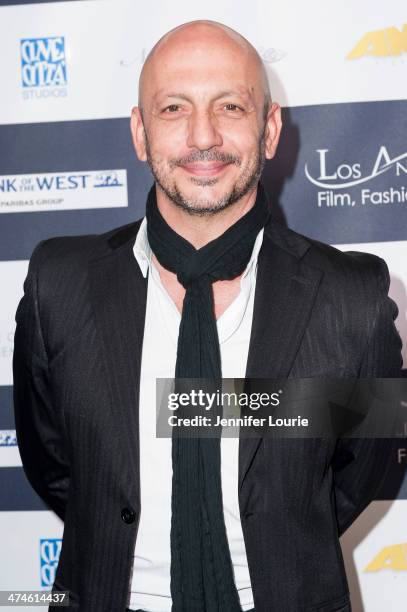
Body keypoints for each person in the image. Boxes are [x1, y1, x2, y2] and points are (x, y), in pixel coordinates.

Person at [13, 19, 402, 612]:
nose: (203, 136)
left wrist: (279, 549)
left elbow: (356, 475)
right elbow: (56, 465)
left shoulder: (353, 296)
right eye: (173, 108)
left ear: (270, 129)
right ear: (140, 133)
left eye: (230, 106)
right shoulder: (57, 284)